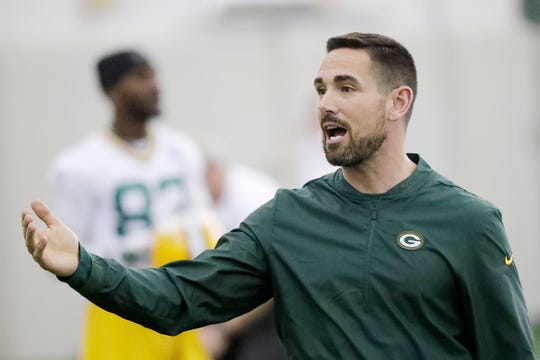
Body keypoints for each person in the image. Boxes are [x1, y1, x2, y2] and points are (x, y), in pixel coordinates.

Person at [22, 33, 537, 359]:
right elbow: (178, 297)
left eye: (346, 88)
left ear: (397, 102)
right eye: (320, 90)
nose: (326, 104)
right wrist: (82, 267)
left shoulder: (468, 221)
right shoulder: (286, 217)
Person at [45, 50, 213, 359]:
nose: (155, 86)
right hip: (118, 304)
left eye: (154, 75)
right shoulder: (79, 164)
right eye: (140, 77)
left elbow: (204, 224)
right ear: (112, 91)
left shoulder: (181, 149)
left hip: (181, 301)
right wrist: (141, 246)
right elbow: (64, 253)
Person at [204, 159, 287, 360]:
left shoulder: (252, 198)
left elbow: (274, 282)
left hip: (275, 302)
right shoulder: (210, 199)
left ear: (212, 172)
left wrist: (224, 330)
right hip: (241, 300)